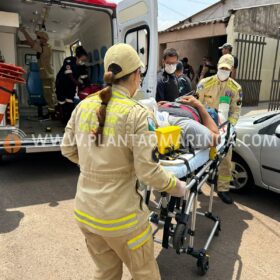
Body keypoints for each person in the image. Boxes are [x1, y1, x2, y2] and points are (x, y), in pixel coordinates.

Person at [61, 43, 187, 280]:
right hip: (123, 220)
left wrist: (93, 167)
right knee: (144, 274)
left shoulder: (83, 106)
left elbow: (67, 148)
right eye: (139, 75)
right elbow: (148, 172)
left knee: (106, 273)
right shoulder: (138, 114)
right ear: (136, 75)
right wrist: (177, 186)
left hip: (87, 214)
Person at [183, 54, 243, 204]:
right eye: (222, 68)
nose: (224, 71)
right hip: (205, 127)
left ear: (231, 70)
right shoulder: (204, 83)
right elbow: (195, 105)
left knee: (226, 161)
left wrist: (229, 126)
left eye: (227, 69)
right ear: (217, 67)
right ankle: (197, 185)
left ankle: (223, 189)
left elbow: (236, 110)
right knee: (200, 157)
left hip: (224, 129)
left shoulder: (235, 88)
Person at [19, 27, 57, 117]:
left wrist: (24, 30)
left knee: (49, 95)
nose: (37, 39)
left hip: (48, 76)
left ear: (44, 39)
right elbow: (31, 43)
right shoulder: (43, 47)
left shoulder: (46, 48)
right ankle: (51, 111)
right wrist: (22, 42)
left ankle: (52, 113)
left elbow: (32, 43)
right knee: (47, 94)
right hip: (45, 75)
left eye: (39, 38)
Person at [55, 46, 89, 123]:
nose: (83, 62)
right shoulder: (68, 61)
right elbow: (69, 76)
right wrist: (78, 83)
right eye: (82, 60)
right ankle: (62, 117)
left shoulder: (82, 67)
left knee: (70, 101)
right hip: (61, 82)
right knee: (62, 101)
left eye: (85, 60)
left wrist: (87, 87)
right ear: (77, 57)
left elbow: (85, 79)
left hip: (71, 85)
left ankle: (68, 119)